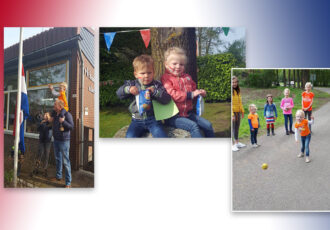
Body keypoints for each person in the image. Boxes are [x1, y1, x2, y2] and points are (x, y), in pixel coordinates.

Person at [161, 47, 215, 138]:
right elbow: (172, 95)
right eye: (174, 64)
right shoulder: (166, 78)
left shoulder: (187, 77)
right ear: (166, 64)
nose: (178, 67)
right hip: (173, 117)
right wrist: (191, 94)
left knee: (208, 125)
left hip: (188, 114)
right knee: (193, 126)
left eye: (181, 64)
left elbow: (194, 90)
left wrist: (200, 93)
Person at [116, 54, 171, 138]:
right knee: (130, 137)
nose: (146, 76)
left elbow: (167, 99)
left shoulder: (157, 85)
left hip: (154, 120)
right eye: (143, 73)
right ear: (136, 74)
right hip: (136, 121)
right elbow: (119, 93)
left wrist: (155, 92)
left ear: (154, 72)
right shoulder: (132, 84)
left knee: (162, 137)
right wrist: (129, 89)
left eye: (149, 72)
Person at [50, 99, 74, 188]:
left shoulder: (67, 115)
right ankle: (58, 176)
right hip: (56, 140)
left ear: (60, 106)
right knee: (58, 159)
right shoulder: (55, 115)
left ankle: (68, 182)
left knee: (66, 161)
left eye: (55, 104)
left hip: (64, 141)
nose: (53, 106)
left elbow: (71, 127)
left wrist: (63, 122)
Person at [32, 112, 52, 177]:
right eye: (45, 114)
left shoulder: (50, 123)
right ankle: (36, 168)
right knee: (40, 154)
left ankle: (44, 170)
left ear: (49, 116)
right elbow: (38, 129)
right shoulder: (41, 122)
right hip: (41, 140)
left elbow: (51, 127)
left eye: (47, 114)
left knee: (46, 155)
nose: (45, 115)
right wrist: (40, 123)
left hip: (47, 141)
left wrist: (48, 121)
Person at [232, 76, 246, 151]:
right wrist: (232, 114)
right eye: (233, 82)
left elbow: (240, 102)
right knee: (232, 128)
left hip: (238, 112)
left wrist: (242, 111)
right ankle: (232, 145)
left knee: (237, 128)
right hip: (233, 112)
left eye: (236, 82)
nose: (234, 84)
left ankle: (236, 143)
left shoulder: (238, 90)